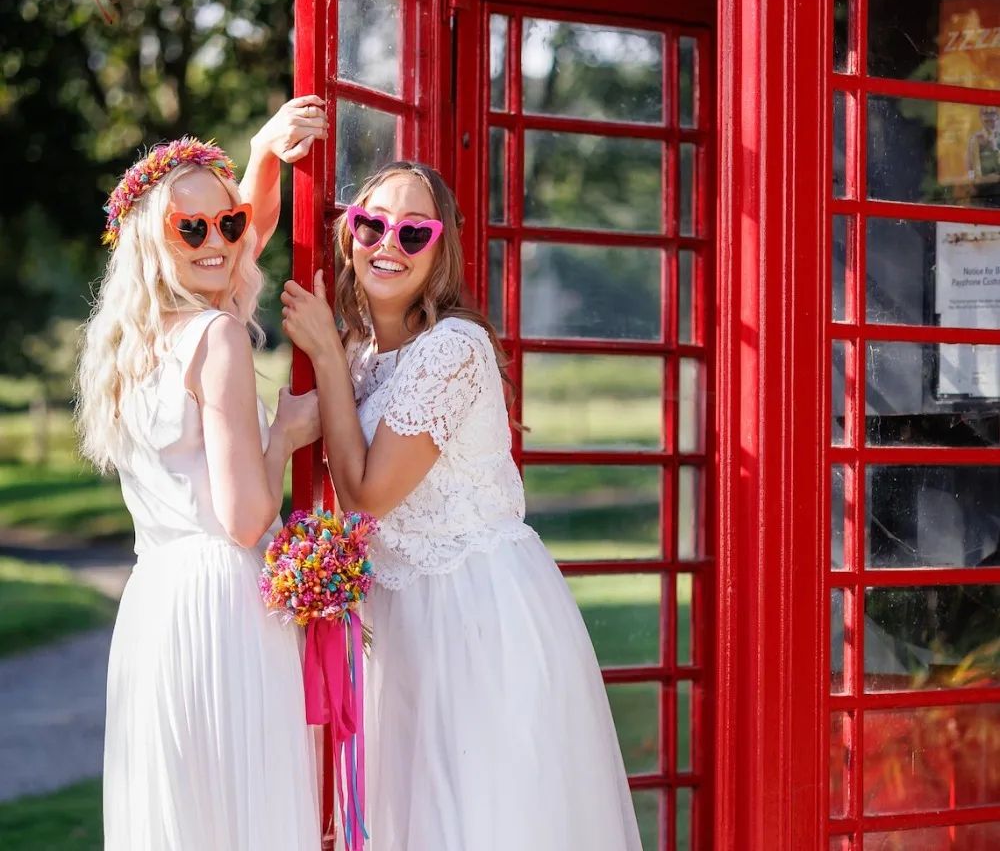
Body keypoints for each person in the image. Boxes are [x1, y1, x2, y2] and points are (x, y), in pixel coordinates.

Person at [280, 160, 642, 851]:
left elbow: (365, 495)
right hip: (401, 624)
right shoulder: (363, 357)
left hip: (475, 617)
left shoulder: (452, 349)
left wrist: (324, 353)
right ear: (348, 235)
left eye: (414, 232)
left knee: (477, 822)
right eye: (372, 224)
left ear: (440, 251)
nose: (389, 243)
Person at [75, 100, 328, 851]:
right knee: (246, 816)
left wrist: (263, 156)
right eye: (191, 229)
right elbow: (246, 517)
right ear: (156, 242)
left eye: (228, 222)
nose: (218, 241)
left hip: (155, 602)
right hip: (225, 603)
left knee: (188, 820)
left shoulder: (128, 348)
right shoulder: (217, 336)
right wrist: (284, 437)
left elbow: (238, 244)